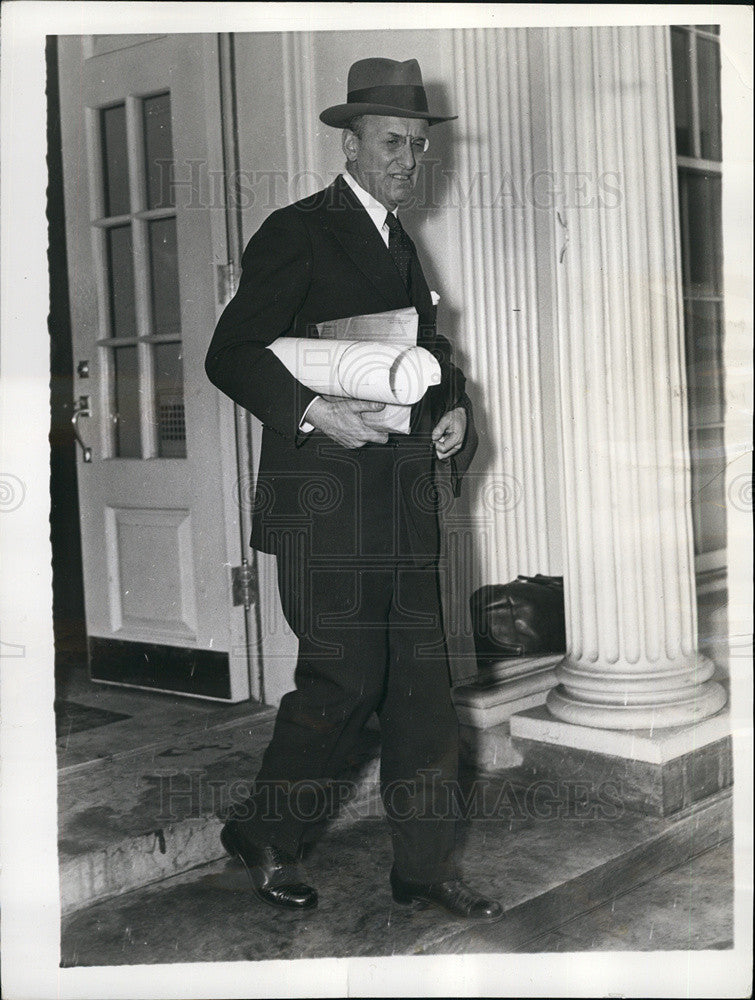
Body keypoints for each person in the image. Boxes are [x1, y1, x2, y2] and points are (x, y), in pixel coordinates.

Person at [205, 57, 501, 922]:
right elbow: (232, 353)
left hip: (404, 505)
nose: (408, 159)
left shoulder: (400, 244)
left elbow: (427, 362)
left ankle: (422, 869)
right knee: (341, 684)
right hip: (326, 505)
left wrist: (457, 416)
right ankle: (268, 834)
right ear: (350, 142)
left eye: (416, 145)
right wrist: (307, 411)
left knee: (422, 695)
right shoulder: (298, 229)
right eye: (391, 143)